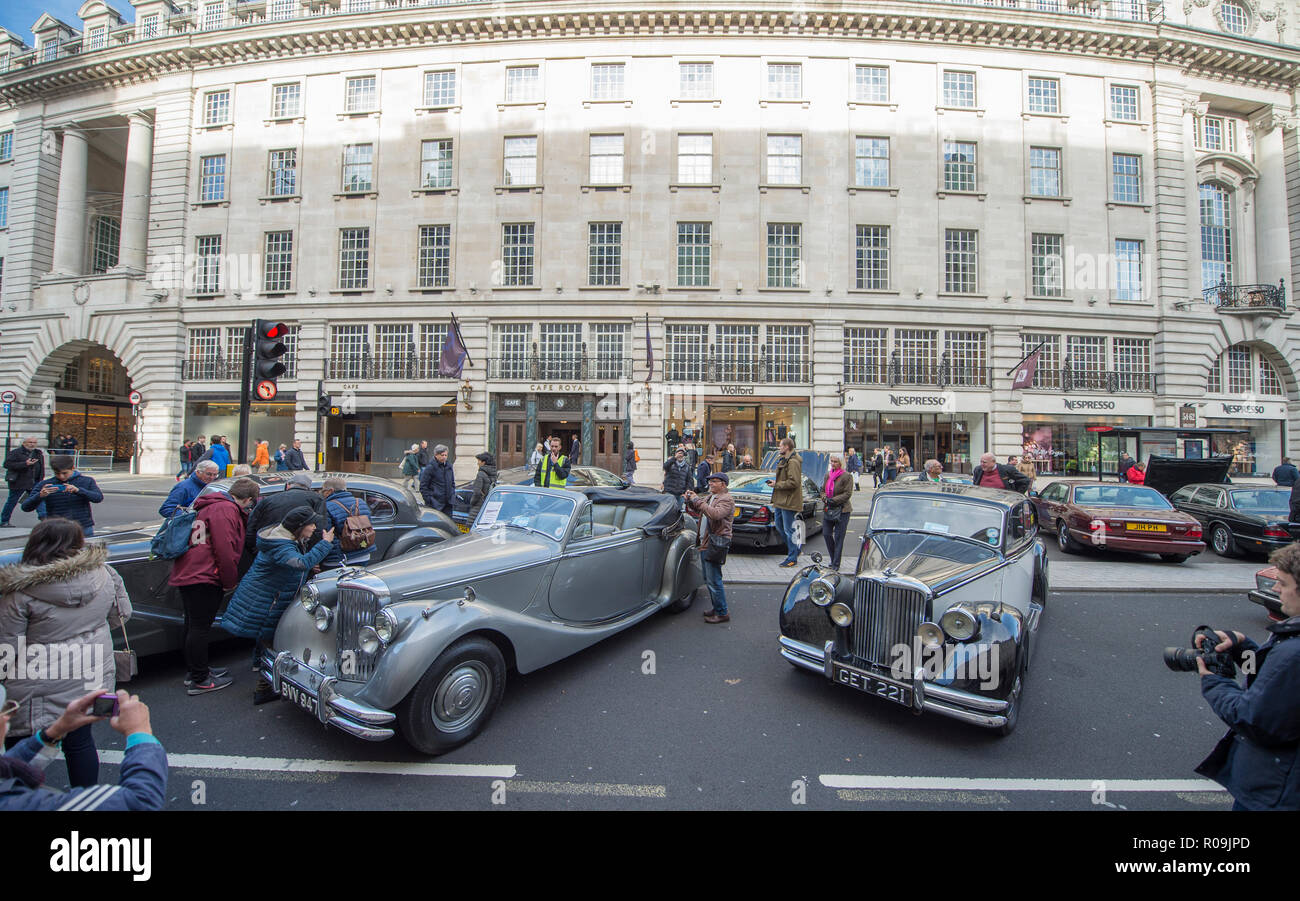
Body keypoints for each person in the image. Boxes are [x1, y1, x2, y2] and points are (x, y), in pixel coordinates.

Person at [0, 518, 130, 788]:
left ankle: (20, 802)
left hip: (35, 679)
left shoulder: (19, 589)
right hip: (91, 669)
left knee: (23, 747)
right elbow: (122, 614)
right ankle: (86, 798)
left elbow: (6, 645)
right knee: (80, 742)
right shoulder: (105, 573)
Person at [1193, 541, 1300, 809]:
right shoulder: (1291, 642)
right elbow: (1277, 688)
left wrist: (1214, 681)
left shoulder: (1294, 653)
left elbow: (1256, 721)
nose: (1276, 589)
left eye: (1283, 584)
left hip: (1276, 793)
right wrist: (1244, 649)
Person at [225, 506, 334, 704]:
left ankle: (262, 670)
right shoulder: (281, 545)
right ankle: (265, 686)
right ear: (299, 526)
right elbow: (300, 563)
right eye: (311, 524)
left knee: (265, 637)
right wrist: (325, 544)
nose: (314, 527)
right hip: (267, 599)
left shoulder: (282, 539)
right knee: (273, 641)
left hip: (266, 595)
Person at [1, 686, 166, 811]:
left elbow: (6, 768)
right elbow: (140, 801)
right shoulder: (16, 803)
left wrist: (55, 731)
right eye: (4, 710)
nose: (7, 717)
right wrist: (139, 733)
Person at [169, 477, 260, 695]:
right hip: (205, 573)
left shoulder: (210, 505)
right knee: (199, 627)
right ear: (248, 499)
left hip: (191, 569)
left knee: (192, 624)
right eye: (251, 503)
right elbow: (225, 548)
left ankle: (196, 670)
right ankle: (200, 679)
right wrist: (229, 580)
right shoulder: (226, 510)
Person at [240, 472, 327, 576]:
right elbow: (319, 530)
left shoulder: (267, 500)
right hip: (298, 556)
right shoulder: (317, 499)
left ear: (288, 485)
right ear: (309, 488)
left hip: (267, 553)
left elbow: (250, 529)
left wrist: (257, 550)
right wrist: (311, 557)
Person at [684, 473, 734, 624]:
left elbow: (715, 514)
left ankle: (722, 613)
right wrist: (691, 501)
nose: (711, 484)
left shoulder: (726, 499)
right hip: (706, 542)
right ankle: (717, 607)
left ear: (723, 484)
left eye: (714, 482)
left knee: (714, 579)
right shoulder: (711, 497)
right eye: (710, 482)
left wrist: (697, 500)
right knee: (708, 578)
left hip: (716, 543)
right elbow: (699, 510)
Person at [21, 455, 103, 536]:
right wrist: (40, 495)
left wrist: (78, 490)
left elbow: (98, 498)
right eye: (57, 473)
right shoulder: (45, 484)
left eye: (65, 473)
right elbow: (25, 507)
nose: (61, 476)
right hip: (56, 528)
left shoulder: (87, 481)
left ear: (73, 468)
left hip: (82, 526)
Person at [320, 476, 374, 570]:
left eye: (323, 490)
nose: (322, 493)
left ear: (330, 491)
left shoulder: (326, 506)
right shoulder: (360, 502)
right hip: (364, 553)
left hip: (340, 559)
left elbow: (327, 534)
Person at [770, 437, 804, 567]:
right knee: (780, 526)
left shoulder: (793, 462)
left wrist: (776, 484)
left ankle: (792, 558)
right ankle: (795, 550)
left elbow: (794, 482)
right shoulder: (785, 460)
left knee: (788, 529)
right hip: (781, 500)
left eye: (780, 446)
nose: (779, 448)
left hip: (789, 500)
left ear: (787, 447)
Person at [2, 437, 45, 528]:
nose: (32, 444)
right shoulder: (16, 452)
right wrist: (25, 464)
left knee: (39, 499)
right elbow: (7, 464)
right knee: (12, 501)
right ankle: (4, 521)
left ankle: (44, 519)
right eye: (30, 442)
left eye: (34, 442)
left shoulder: (38, 453)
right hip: (19, 481)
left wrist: (41, 480)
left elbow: (41, 467)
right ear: (24, 443)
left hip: (34, 482)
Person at [822, 455, 853, 569]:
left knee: (839, 537)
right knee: (826, 534)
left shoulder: (847, 476)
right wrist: (825, 498)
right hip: (829, 509)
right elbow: (822, 490)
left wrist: (834, 500)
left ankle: (835, 564)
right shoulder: (828, 475)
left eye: (835, 462)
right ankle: (833, 558)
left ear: (841, 463)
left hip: (842, 510)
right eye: (832, 461)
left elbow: (847, 493)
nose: (833, 464)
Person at [420, 444, 457, 514]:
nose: (444, 457)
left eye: (446, 455)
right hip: (435, 504)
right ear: (436, 455)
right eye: (442, 455)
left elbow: (452, 483)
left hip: (448, 504)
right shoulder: (430, 467)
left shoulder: (449, 466)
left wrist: (452, 495)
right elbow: (423, 486)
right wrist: (429, 500)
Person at [466, 453, 499, 525]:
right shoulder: (494, 473)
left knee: (472, 528)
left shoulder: (481, 474)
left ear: (484, 462)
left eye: (479, 461)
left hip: (478, 506)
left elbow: (477, 492)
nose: (477, 463)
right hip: (489, 505)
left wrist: (472, 502)